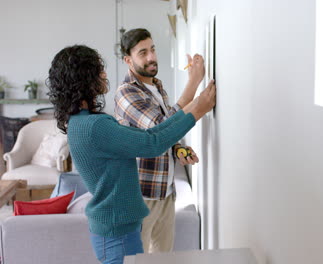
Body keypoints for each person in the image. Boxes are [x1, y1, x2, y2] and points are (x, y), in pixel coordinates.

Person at [47, 44, 215, 264]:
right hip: (117, 233)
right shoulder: (95, 126)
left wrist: (194, 107)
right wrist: (198, 110)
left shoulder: (82, 122)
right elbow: (152, 144)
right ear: (83, 78)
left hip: (115, 230)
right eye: (99, 70)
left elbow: (151, 134)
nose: (104, 74)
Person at [114, 28, 204, 253]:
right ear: (128, 60)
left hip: (165, 190)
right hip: (140, 196)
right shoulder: (126, 93)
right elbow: (159, 128)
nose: (151, 57)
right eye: (142, 53)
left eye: (152, 49)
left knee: (163, 259)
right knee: (138, 258)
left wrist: (178, 150)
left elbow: (165, 135)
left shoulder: (157, 86)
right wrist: (193, 84)